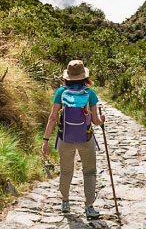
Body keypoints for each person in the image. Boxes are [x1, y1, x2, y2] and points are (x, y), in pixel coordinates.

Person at [41, 59, 105, 217]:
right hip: (86, 138)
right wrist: (102, 119)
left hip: (65, 138)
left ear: (68, 76)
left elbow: (52, 117)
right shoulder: (90, 93)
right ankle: (89, 207)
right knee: (89, 172)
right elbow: (96, 121)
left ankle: (65, 202)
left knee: (66, 170)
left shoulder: (61, 92)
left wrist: (45, 140)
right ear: (84, 77)